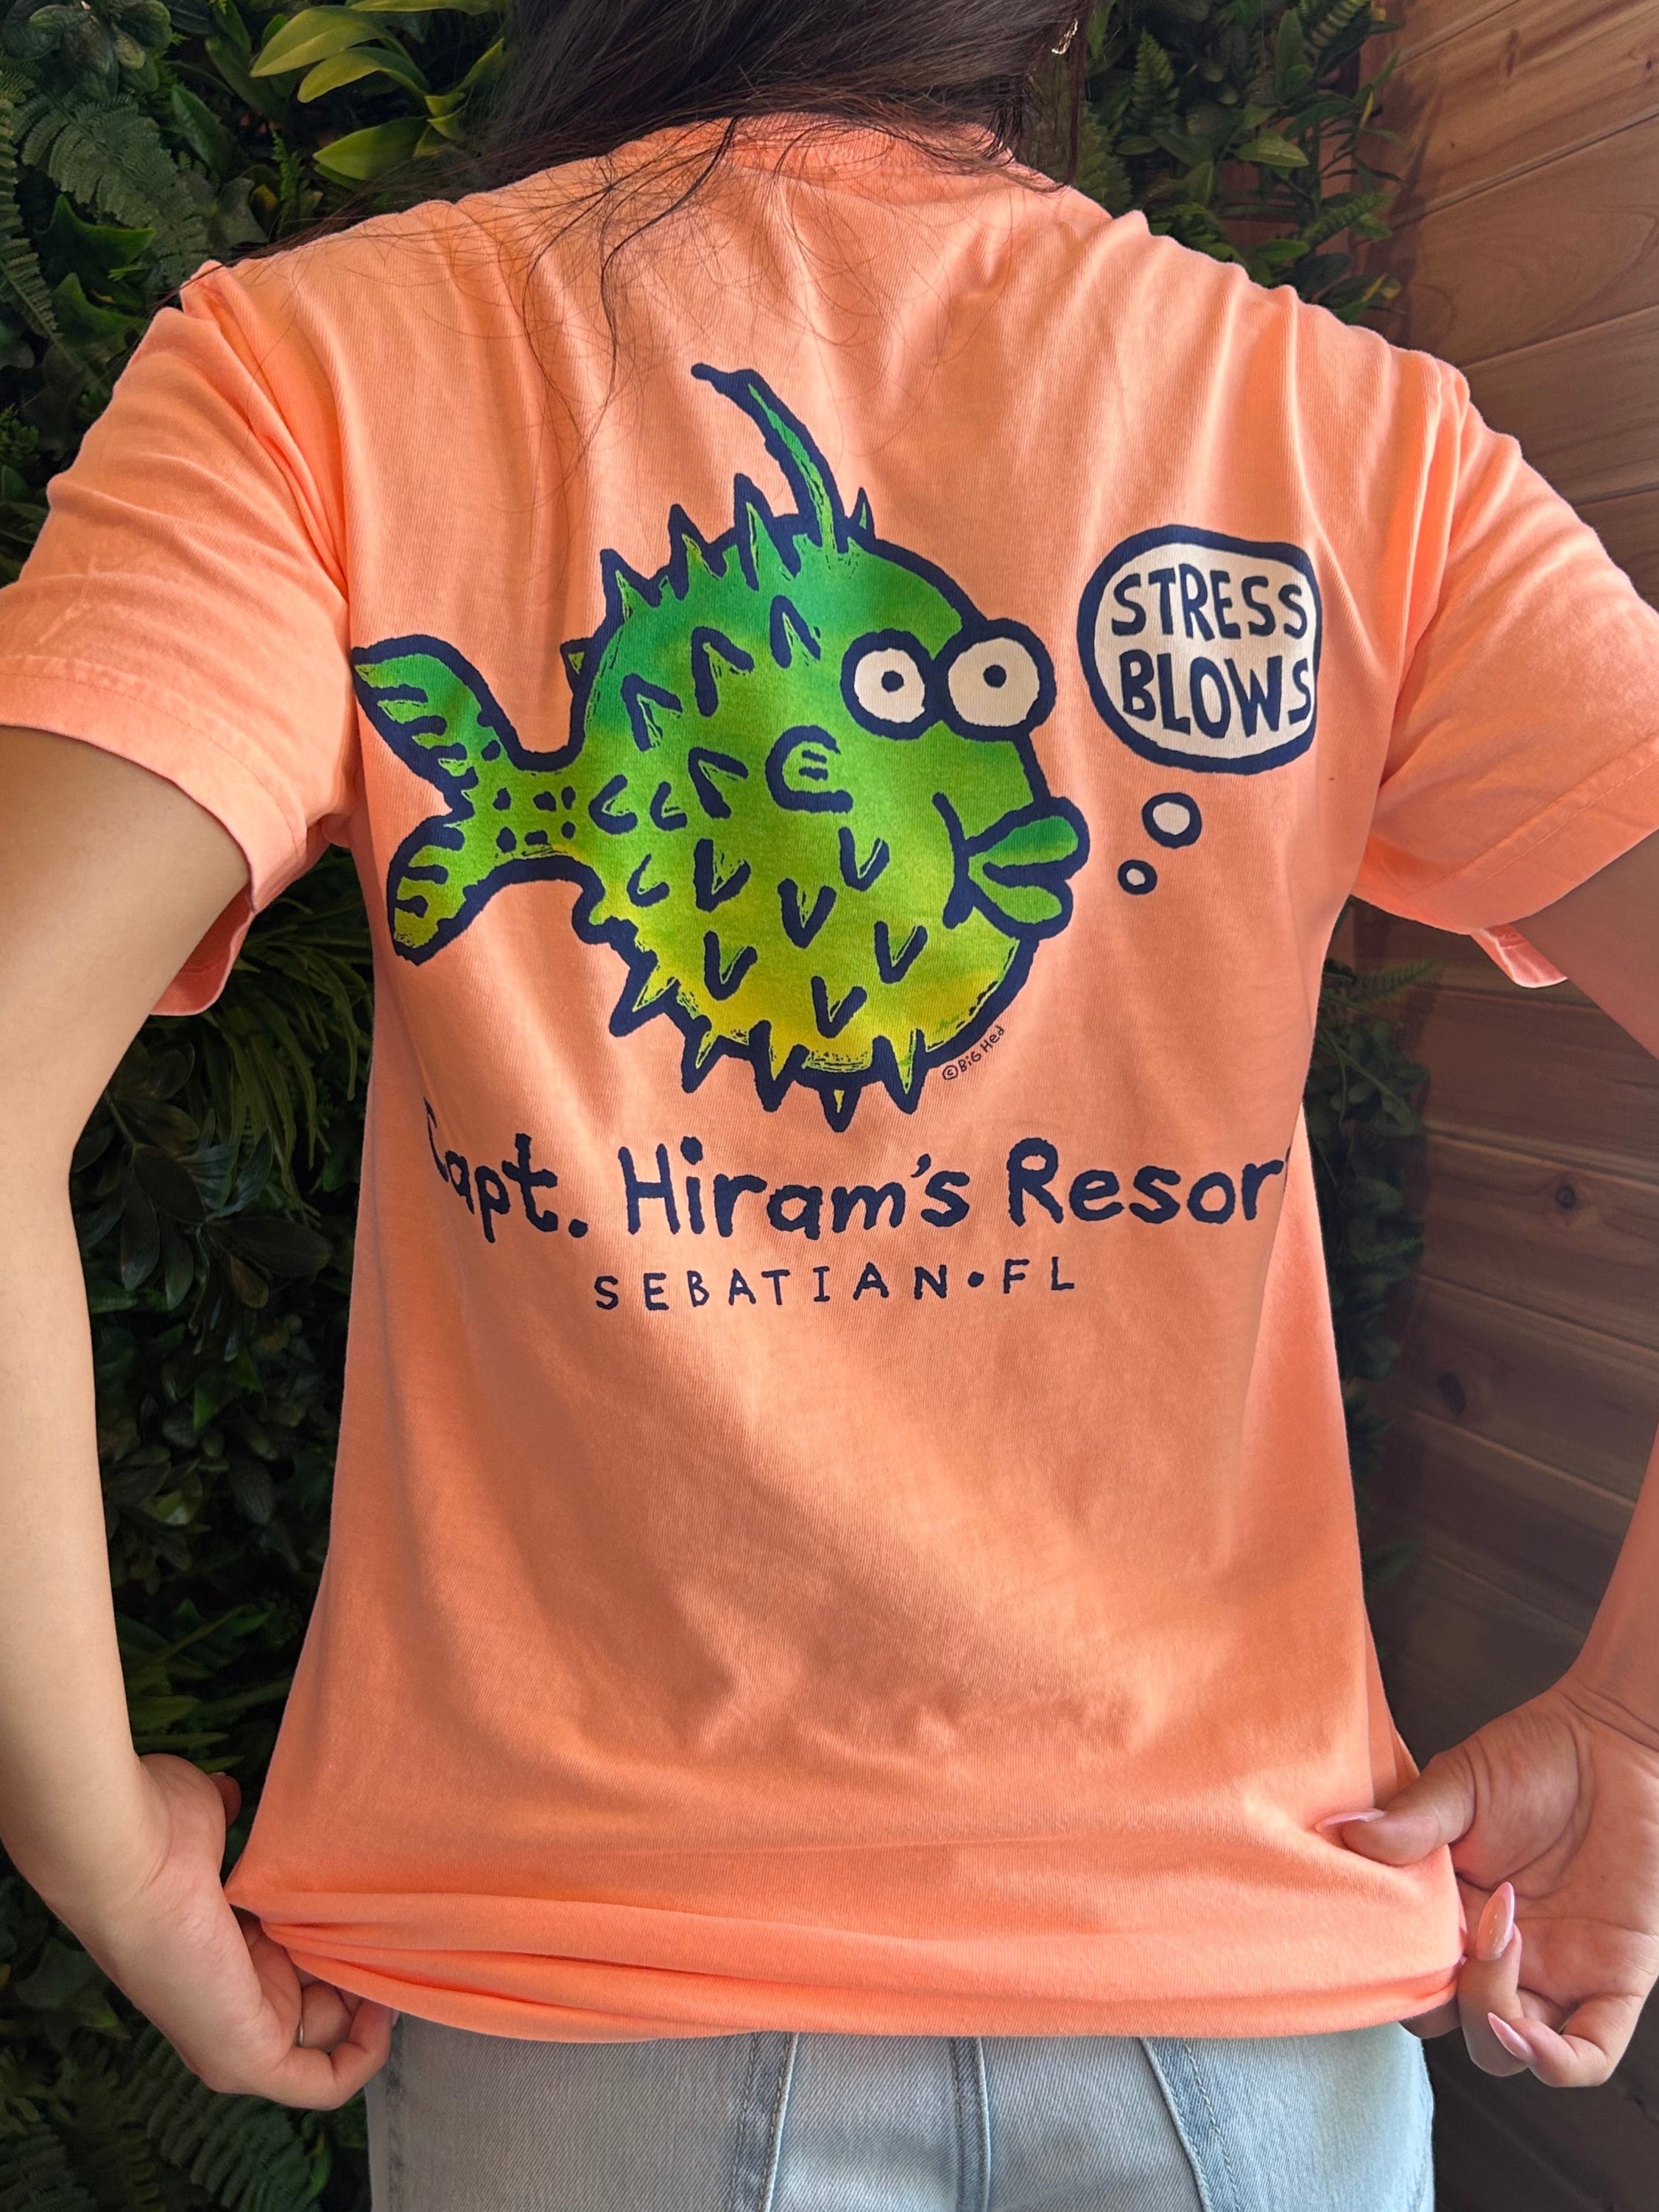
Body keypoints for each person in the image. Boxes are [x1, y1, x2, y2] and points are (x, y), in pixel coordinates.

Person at [3, 1, 1659, 2204]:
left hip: (589, 2029)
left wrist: (95, 1837)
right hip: (1248, 2007)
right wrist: (1641, 1726)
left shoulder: (315, 374)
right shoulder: (1338, 428)